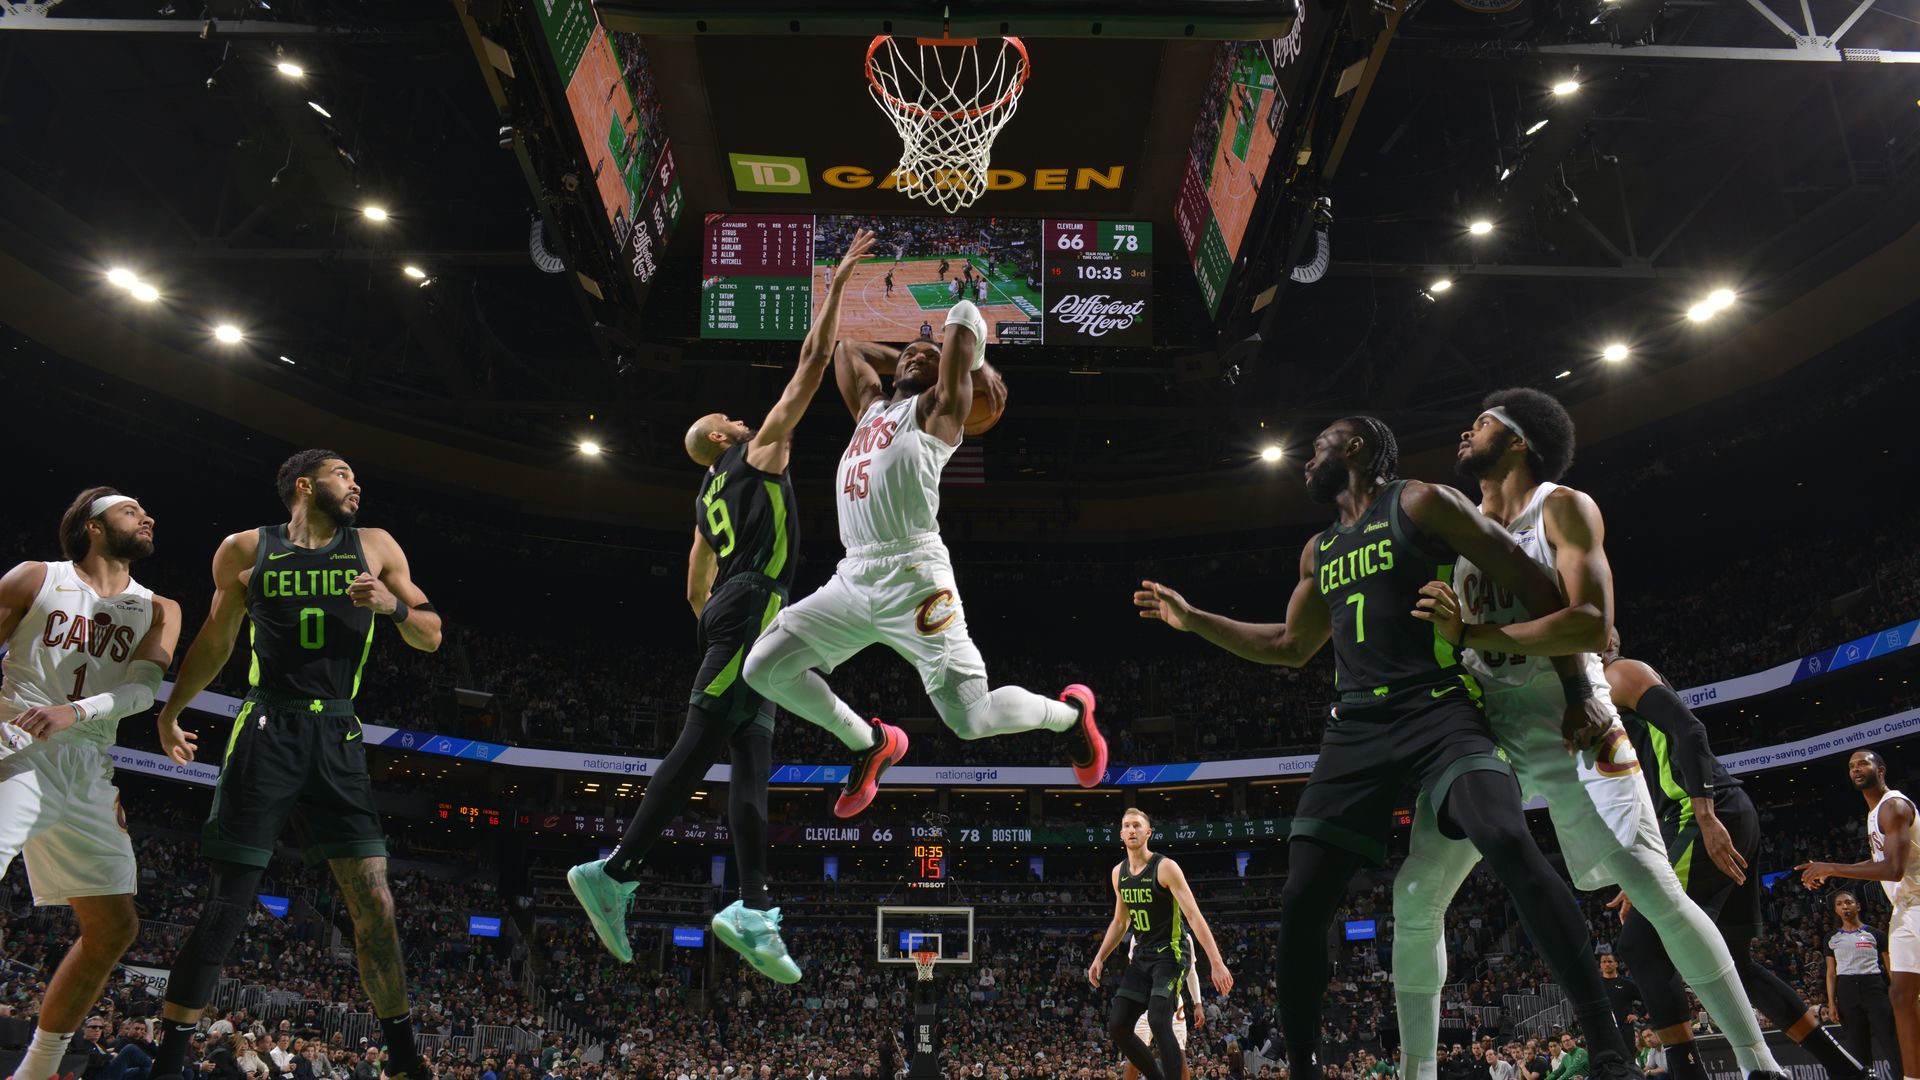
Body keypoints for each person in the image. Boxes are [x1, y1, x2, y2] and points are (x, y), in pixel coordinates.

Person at [1132, 415, 1641, 1080]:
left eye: (1319, 445)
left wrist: (1576, 687)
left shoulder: (1419, 501)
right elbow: (1290, 647)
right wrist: (1195, 619)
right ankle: (1305, 1069)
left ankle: (1607, 1048)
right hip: (1356, 728)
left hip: (1438, 703)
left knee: (1506, 836)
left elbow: (1530, 579)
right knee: (1302, 898)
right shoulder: (1319, 548)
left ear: (1358, 447)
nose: (1307, 459)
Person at [1396, 389, 1783, 1080]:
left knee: (1655, 887)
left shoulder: (1563, 507)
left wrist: (1473, 633)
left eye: (1482, 423)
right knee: (1417, 895)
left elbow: (1590, 624)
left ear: (1518, 441)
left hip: (1577, 717)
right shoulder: (1459, 530)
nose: (1465, 430)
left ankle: (1760, 1065)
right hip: (1490, 730)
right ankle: (1414, 1072)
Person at [565, 230, 879, 982]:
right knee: (702, 740)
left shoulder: (707, 499)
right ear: (717, 437)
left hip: (743, 615)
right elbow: (808, 368)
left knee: (751, 760)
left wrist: (716, 614)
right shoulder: (751, 456)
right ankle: (615, 869)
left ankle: (752, 904)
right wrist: (835, 288)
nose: (745, 418)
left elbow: (691, 582)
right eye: (730, 420)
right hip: (754, 614)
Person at [144, 451, 444, 1080]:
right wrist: (171, 711)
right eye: (343, 474)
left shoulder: (376, 545)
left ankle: (404, 1059)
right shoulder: (246, 549)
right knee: (227, 905)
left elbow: (431, 633)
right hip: (266, 728)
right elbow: (217, 638)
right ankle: (167, 1061)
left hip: (337, 730)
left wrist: (389, 605)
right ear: (304, 486)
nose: (356, 482)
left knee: (377, 905)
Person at [741, 300, 1105, 818]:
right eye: (907, 354)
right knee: (764, 667)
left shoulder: (940, 411)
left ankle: (1069, 717)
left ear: (947, 376)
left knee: (970, 718)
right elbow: (847, 348)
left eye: (927, 356)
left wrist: (974, 364)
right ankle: (870, 742)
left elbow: (962, 314)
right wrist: (910, 354)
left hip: (914, 577)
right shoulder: (870, 409)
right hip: (852, 576)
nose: (914, 356)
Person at [1594, 630, 1863, 1080]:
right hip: (1715, 815)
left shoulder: (1620, 673)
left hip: (1705, 815)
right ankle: (1846, 1071)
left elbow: (1690, 729)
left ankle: (1688, 1073)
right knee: (1738, 963)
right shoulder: (1601, 698)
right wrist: (1639, 869)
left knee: (1638, 944)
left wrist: (1704, 816)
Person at [0, 488, 180, 1080]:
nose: (146, 516)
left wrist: (74, 715)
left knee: (114, 928)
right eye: (132, 510)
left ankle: (35, 1071)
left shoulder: (159, 608)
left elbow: (141, 692)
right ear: (93, 527)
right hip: (17, 744)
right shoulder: (36, 578)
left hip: (87, 766)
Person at [1799, 752, 1920, 1080]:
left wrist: (1831, 867)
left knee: (1903, 997)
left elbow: (1893, 869)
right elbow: (1883, 867)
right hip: (1905, 909)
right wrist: (1830, 869)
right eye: (1851, 766)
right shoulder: (1873, 813)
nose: (1856, 769)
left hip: (1919, 904)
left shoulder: (1894, 806)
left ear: (1880, 770)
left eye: (1863, 764)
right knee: (1902, 996)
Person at [1088, 809, 1232, 1080]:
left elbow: (1193, 915)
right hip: (1142, 955)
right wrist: (1100, 957)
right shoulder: (1118, 873)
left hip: (1171, 953)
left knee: (1157, 1018)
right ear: (1121, 834)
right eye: (1126, 826)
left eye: (1137, 826)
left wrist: (1216, 961)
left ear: (1147, 833)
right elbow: (1120, 922)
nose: (1131, 830)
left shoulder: (1165, 867)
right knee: (1118, 1026)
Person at [1828, 890, 1897, 1075]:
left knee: (1890, 1041)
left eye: (1848, 902)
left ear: (1857, 906)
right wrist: (1831, 1003)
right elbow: (1831, 974)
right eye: (1840, 904)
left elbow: (1889, 968)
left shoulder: (1876, 934)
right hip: (1847, 992)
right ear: (1836, 910)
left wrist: (1894, 993)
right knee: (1858, 1049)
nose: (1845, 906)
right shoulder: (1832, 938)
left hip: (1874, 988)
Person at [1121, 928, 1202, 1080]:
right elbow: (1134, 970)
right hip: (1145, 1001)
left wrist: (1198, 1003)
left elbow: (1191, 972)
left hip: (1173, 1002)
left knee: (1180, 1055)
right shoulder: (1138, 935)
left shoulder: (1185, 937)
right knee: (1134, 1057)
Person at [1599, 954, 1642, 1054]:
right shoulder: (1596, 985)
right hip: (1604, 1031)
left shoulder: (1627, 984)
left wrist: (1637, 1015)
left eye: (1610, 961)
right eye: (1604, 962)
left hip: (1624, 1029)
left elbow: (1645, 999)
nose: (1607, 964)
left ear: (1616, 964)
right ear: (1600, 965)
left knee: (1628, 1059)